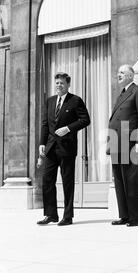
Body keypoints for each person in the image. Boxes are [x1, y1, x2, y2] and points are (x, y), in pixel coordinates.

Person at [37, 72, 90, 226]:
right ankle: (50, 214)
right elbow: (45, 124)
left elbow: (85, 120)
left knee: (67, 182)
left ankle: (68, 216)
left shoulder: (75, 100)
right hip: (51, 148)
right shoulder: (50, 101)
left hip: (67, 148)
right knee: (47, 180)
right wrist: (42, 143)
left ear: (68, 84)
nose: (58, 85)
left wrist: (68, 128)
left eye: (61, 83)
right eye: (57, 83)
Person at [107, 65, 138, 227]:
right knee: (119, 181)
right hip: (117, 143)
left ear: (131, 76)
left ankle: (137, 218)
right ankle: (125, 215)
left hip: (132, 143)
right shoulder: (122, 94)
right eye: (118, 72)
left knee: (132, 181)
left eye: (122, 73)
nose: (118, 75)